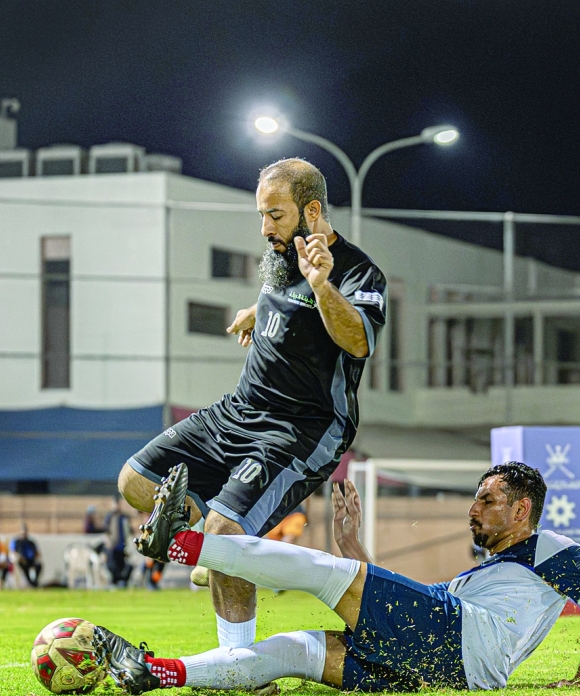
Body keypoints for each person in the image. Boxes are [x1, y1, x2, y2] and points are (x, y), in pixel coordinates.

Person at [116, 158, 386, 652]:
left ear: (312, 211)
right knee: (135, 481)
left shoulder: (358, 272)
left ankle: (237, 660)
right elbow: (287, 301)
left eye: (275, 215)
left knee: (226, 532)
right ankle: (208, 548)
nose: (265, 228)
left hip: (299, 429)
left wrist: (322, 285)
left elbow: (358, 340)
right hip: (238, 411)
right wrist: (254, 310)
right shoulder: (282, 256)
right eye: (262, 215)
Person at [93, 462, 580, 696]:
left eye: (486, 500)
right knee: (292, 650)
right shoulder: (493, 576)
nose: (473, 509)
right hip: (451, 667)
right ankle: (156, 672)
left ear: (521, 510)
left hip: (464, 642)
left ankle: (179, 543)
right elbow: (411, 611)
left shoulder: (548, 546)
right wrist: (355, 548)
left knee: (322, 572)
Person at [104, 496, 133, 588]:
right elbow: (106, 531)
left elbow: (128, 530)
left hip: (122, 545)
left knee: (122, 564)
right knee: (112, 565)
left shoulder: (123, 517)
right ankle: (114, 582)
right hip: (113, 545)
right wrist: (108, 542)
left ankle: (121, 582)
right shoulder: (110, 516)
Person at [9, 524, 42, 588]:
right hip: (21, 561)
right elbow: (12, 552)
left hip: (31, 560)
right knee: (23, 566)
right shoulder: (16, 541)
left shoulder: (31, 542)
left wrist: (36, 558)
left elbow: (37, 552)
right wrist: (19, 557)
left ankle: (34, 581)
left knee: (38, 565)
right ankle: (30, 582)